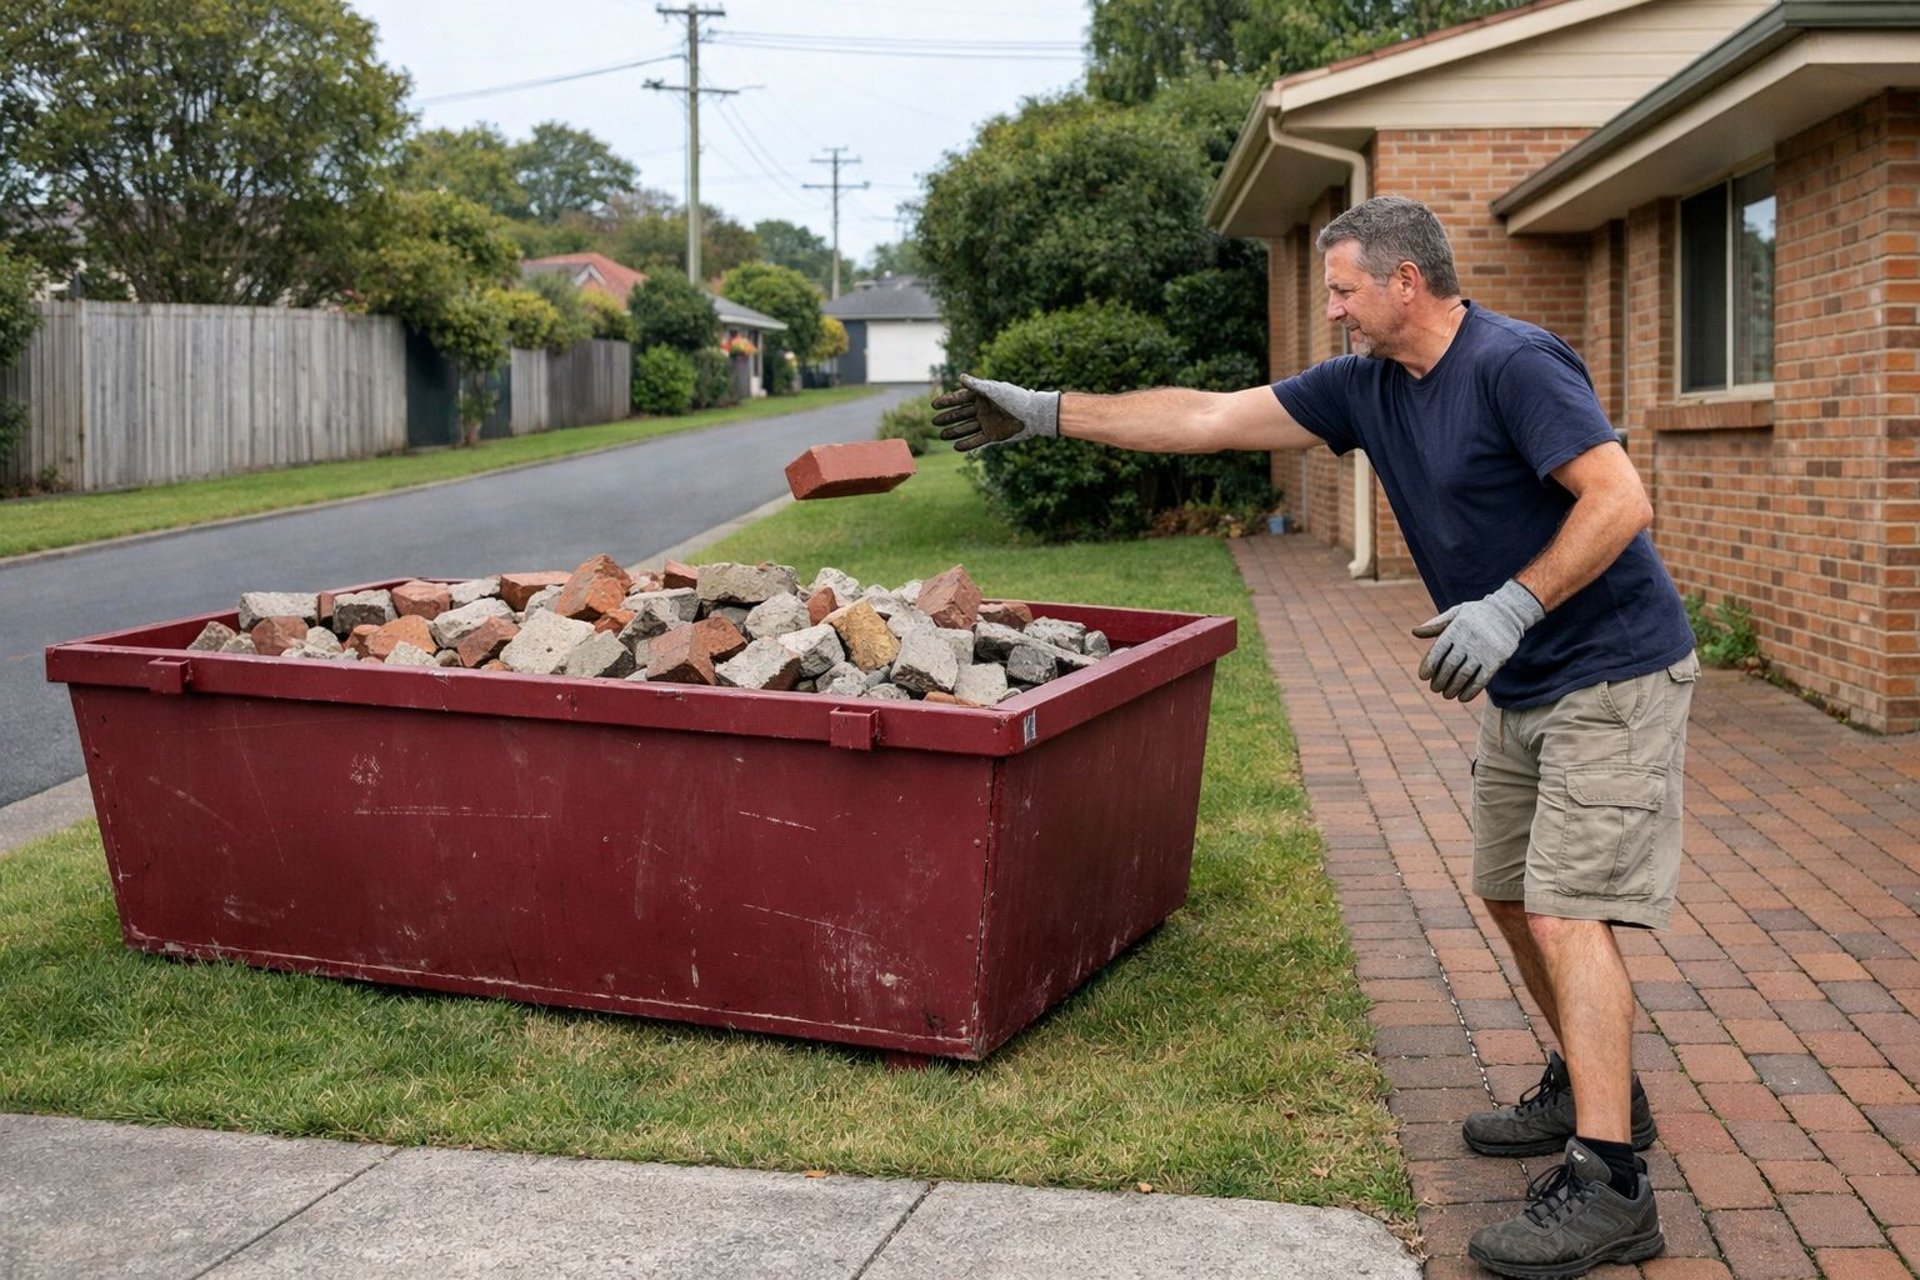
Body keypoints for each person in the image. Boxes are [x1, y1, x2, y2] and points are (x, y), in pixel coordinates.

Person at [930, 194, 1697, 1280]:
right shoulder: (1365, 388)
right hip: (1529, 682)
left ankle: (1612, 1180)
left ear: (1404, 284)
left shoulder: (1514, 365)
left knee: (1570, 910)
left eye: (1342, 289)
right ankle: (1589, 1074)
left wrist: (1513, 604)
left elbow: (1621, 498)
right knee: (1512, 890)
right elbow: (1203, 417)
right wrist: (1051, 411)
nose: (1332, 309)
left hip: (1613, 669)